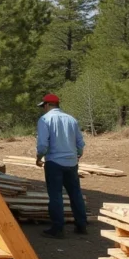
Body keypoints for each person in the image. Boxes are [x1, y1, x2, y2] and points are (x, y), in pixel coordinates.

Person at [35, 93, 88, 238]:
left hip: (54, 162)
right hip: (71, 163)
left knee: (56, 195)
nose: (43, 109)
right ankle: (81, 225)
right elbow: (80, 143)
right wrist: (77, 155)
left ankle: (58, 228)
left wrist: (39, 157)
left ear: (47, 105)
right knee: (75, 193)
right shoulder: (71, 119)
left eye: (43, 106)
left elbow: (42, 144)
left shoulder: (45, 119)